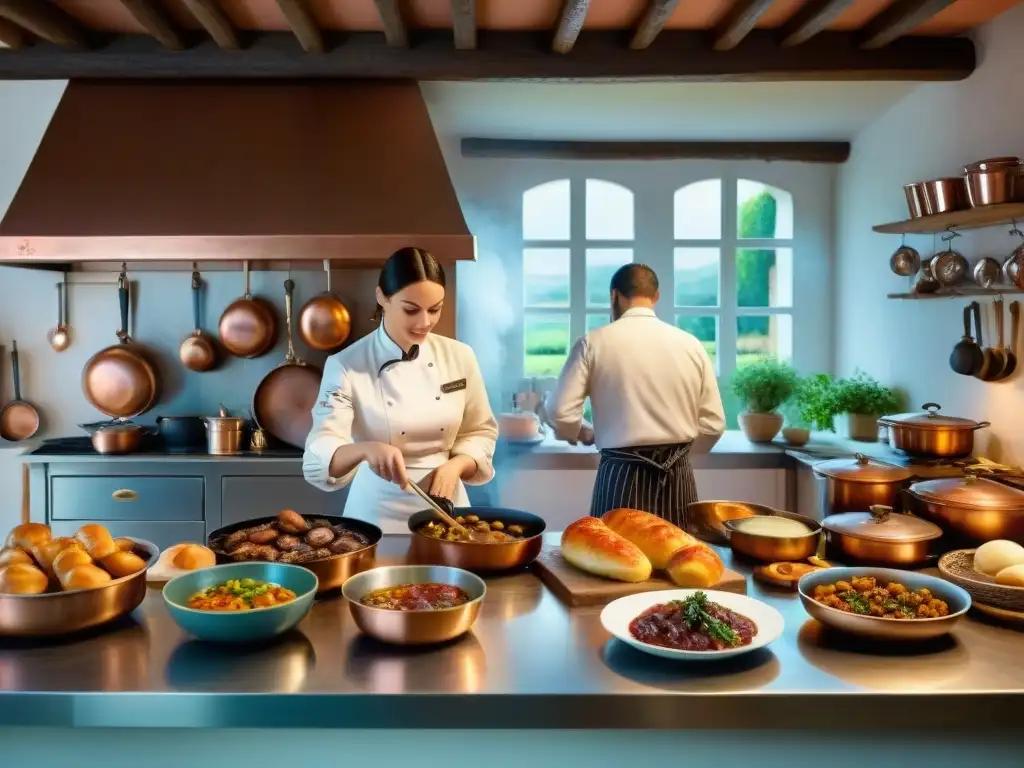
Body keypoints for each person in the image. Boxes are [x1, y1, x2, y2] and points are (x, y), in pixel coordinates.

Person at [302, 247, 498, 533]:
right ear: (382, 297)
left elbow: (480, 431)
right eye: (411, 310)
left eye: (435, 309)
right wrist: (365, 450)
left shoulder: (460, 356)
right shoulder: (346, 364)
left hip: (446, 510)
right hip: (374, 515)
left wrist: (455, 466)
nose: (425, 323)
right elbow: (319, 451)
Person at [542, 263, 725, 527]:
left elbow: (560, 412)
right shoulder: (691, 345)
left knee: (615, 559)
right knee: (678, 561)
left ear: (614, 296)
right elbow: (713, 425)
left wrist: (580, 431)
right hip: (678, 475)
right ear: (656, 296)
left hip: (620, 474)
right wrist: (677, 455)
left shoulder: (592, 343)